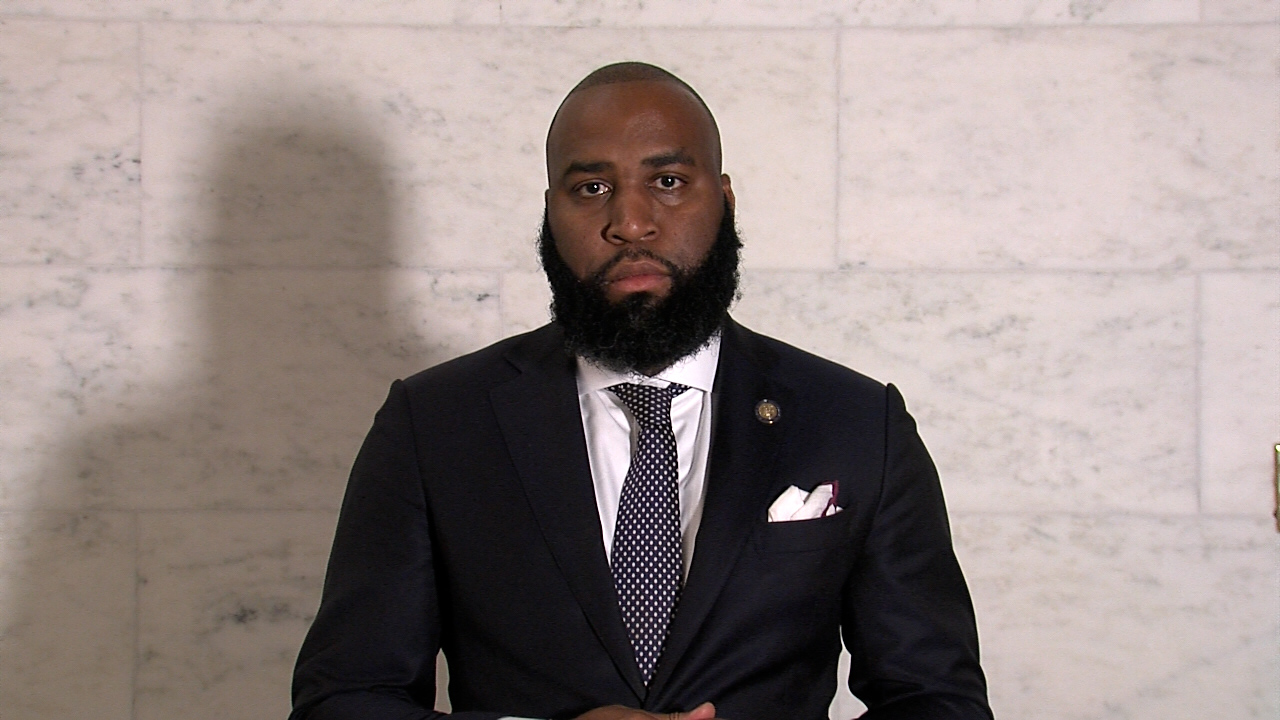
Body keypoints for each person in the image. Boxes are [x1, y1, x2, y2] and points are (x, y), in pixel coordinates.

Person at [289, 62, 993, 720]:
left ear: (725, 200)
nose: (630, 223)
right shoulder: (433, 423)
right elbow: (344, 700)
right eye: (592, 188)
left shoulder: (857, 423)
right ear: (550, 213)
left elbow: (937, 702)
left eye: (668, 181)